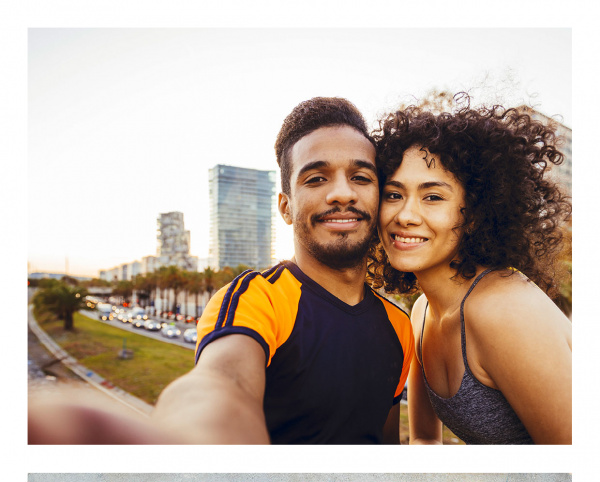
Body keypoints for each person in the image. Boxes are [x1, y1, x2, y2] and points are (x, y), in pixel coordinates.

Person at [29, 97, 414, 445]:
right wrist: (190, 442)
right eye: (316, 178)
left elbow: (382, 441)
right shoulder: (255, 299)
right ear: (285, 207)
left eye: (361, 177)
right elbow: (221, 383)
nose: (342, 193)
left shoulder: (400, 325)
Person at [368, 100, 572, 445]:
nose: (405, 215)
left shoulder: (505, 309)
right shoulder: (422, 313)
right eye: (393, 194)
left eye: (432, 197)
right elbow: (425, 443)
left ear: (474, 214)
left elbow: (577, 470)